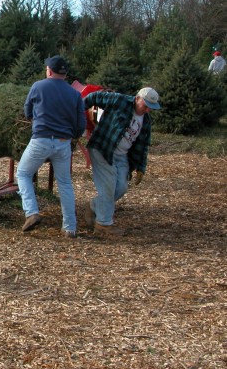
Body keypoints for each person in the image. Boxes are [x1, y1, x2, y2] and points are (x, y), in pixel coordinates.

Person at [16, 56, 86, 238]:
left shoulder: (38, 86)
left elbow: (27, 111)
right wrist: (72, 136)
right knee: (64, 183)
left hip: (41, 140)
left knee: (23, 173)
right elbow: (80, 124)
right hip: (63, 143)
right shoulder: (75, 94)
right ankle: (70, 227)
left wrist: (37, 121)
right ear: (64, 73)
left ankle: (31, 212)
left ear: (49, 70)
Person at [83, 87, 160, 236]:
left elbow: (143, 146)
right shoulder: (119, 100)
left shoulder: (146, 122)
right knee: (108, 187)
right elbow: (94, 97)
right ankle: (103, 225)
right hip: (103, 148)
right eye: (146, 106)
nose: (147, 110)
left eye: (151, 108)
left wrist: (140, 168)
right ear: (137, 98)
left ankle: (93, 205)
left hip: (122, 156)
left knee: (121, 188)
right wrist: (76, 112)